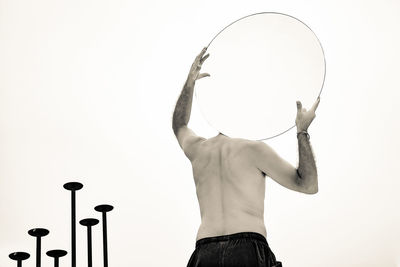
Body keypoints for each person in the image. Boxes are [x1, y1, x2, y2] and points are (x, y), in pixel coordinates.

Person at [172, 47, 320, 267]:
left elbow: (179, 125)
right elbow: (307, 184)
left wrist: (189, 82)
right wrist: (302, 132)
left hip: (205, 251)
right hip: (247, 249)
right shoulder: (254, 150)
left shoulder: (199, 150)